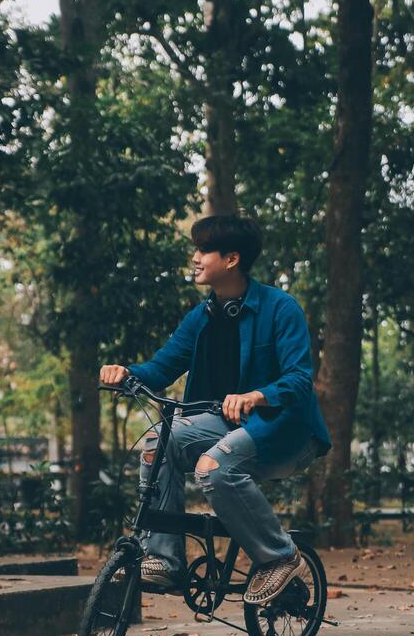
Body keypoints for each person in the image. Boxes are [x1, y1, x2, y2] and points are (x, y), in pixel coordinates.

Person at [99, 213, 331, 605]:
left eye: (204, 250)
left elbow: (299, 379)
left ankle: (280, 556)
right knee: (158, 441)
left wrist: (256, 396)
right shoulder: (202, 318)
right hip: (227, 426)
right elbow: (160, 368)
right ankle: (165, 558)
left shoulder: (280, 308)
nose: (195, 257)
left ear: (232, 259)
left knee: (213, 466)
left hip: (285, 430)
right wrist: (125, 373)